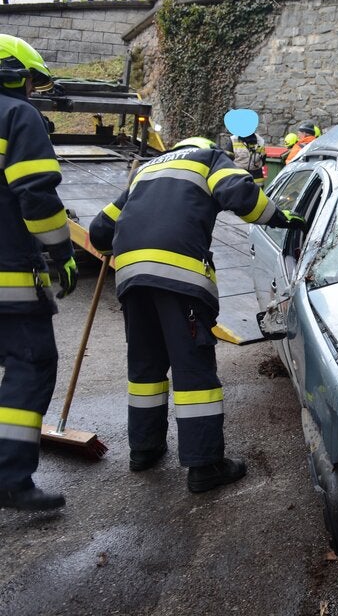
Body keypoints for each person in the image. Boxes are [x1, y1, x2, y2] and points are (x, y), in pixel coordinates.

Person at [88, 137, 305, 493]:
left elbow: (99, 233)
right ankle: (204, 466)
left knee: (145, 368)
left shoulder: (144, 172)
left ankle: (143, 451)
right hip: (180, 280)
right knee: (193, 372)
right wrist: (279, 217)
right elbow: (241, 194)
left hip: (130, 280)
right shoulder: (208, 158)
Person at [0, 34, 78, 511]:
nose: (31, 90)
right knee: (29, 366)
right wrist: (61, 252)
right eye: (30, 80)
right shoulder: (15, 115)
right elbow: (37, 197)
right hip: (8, 276)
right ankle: (9, 478)